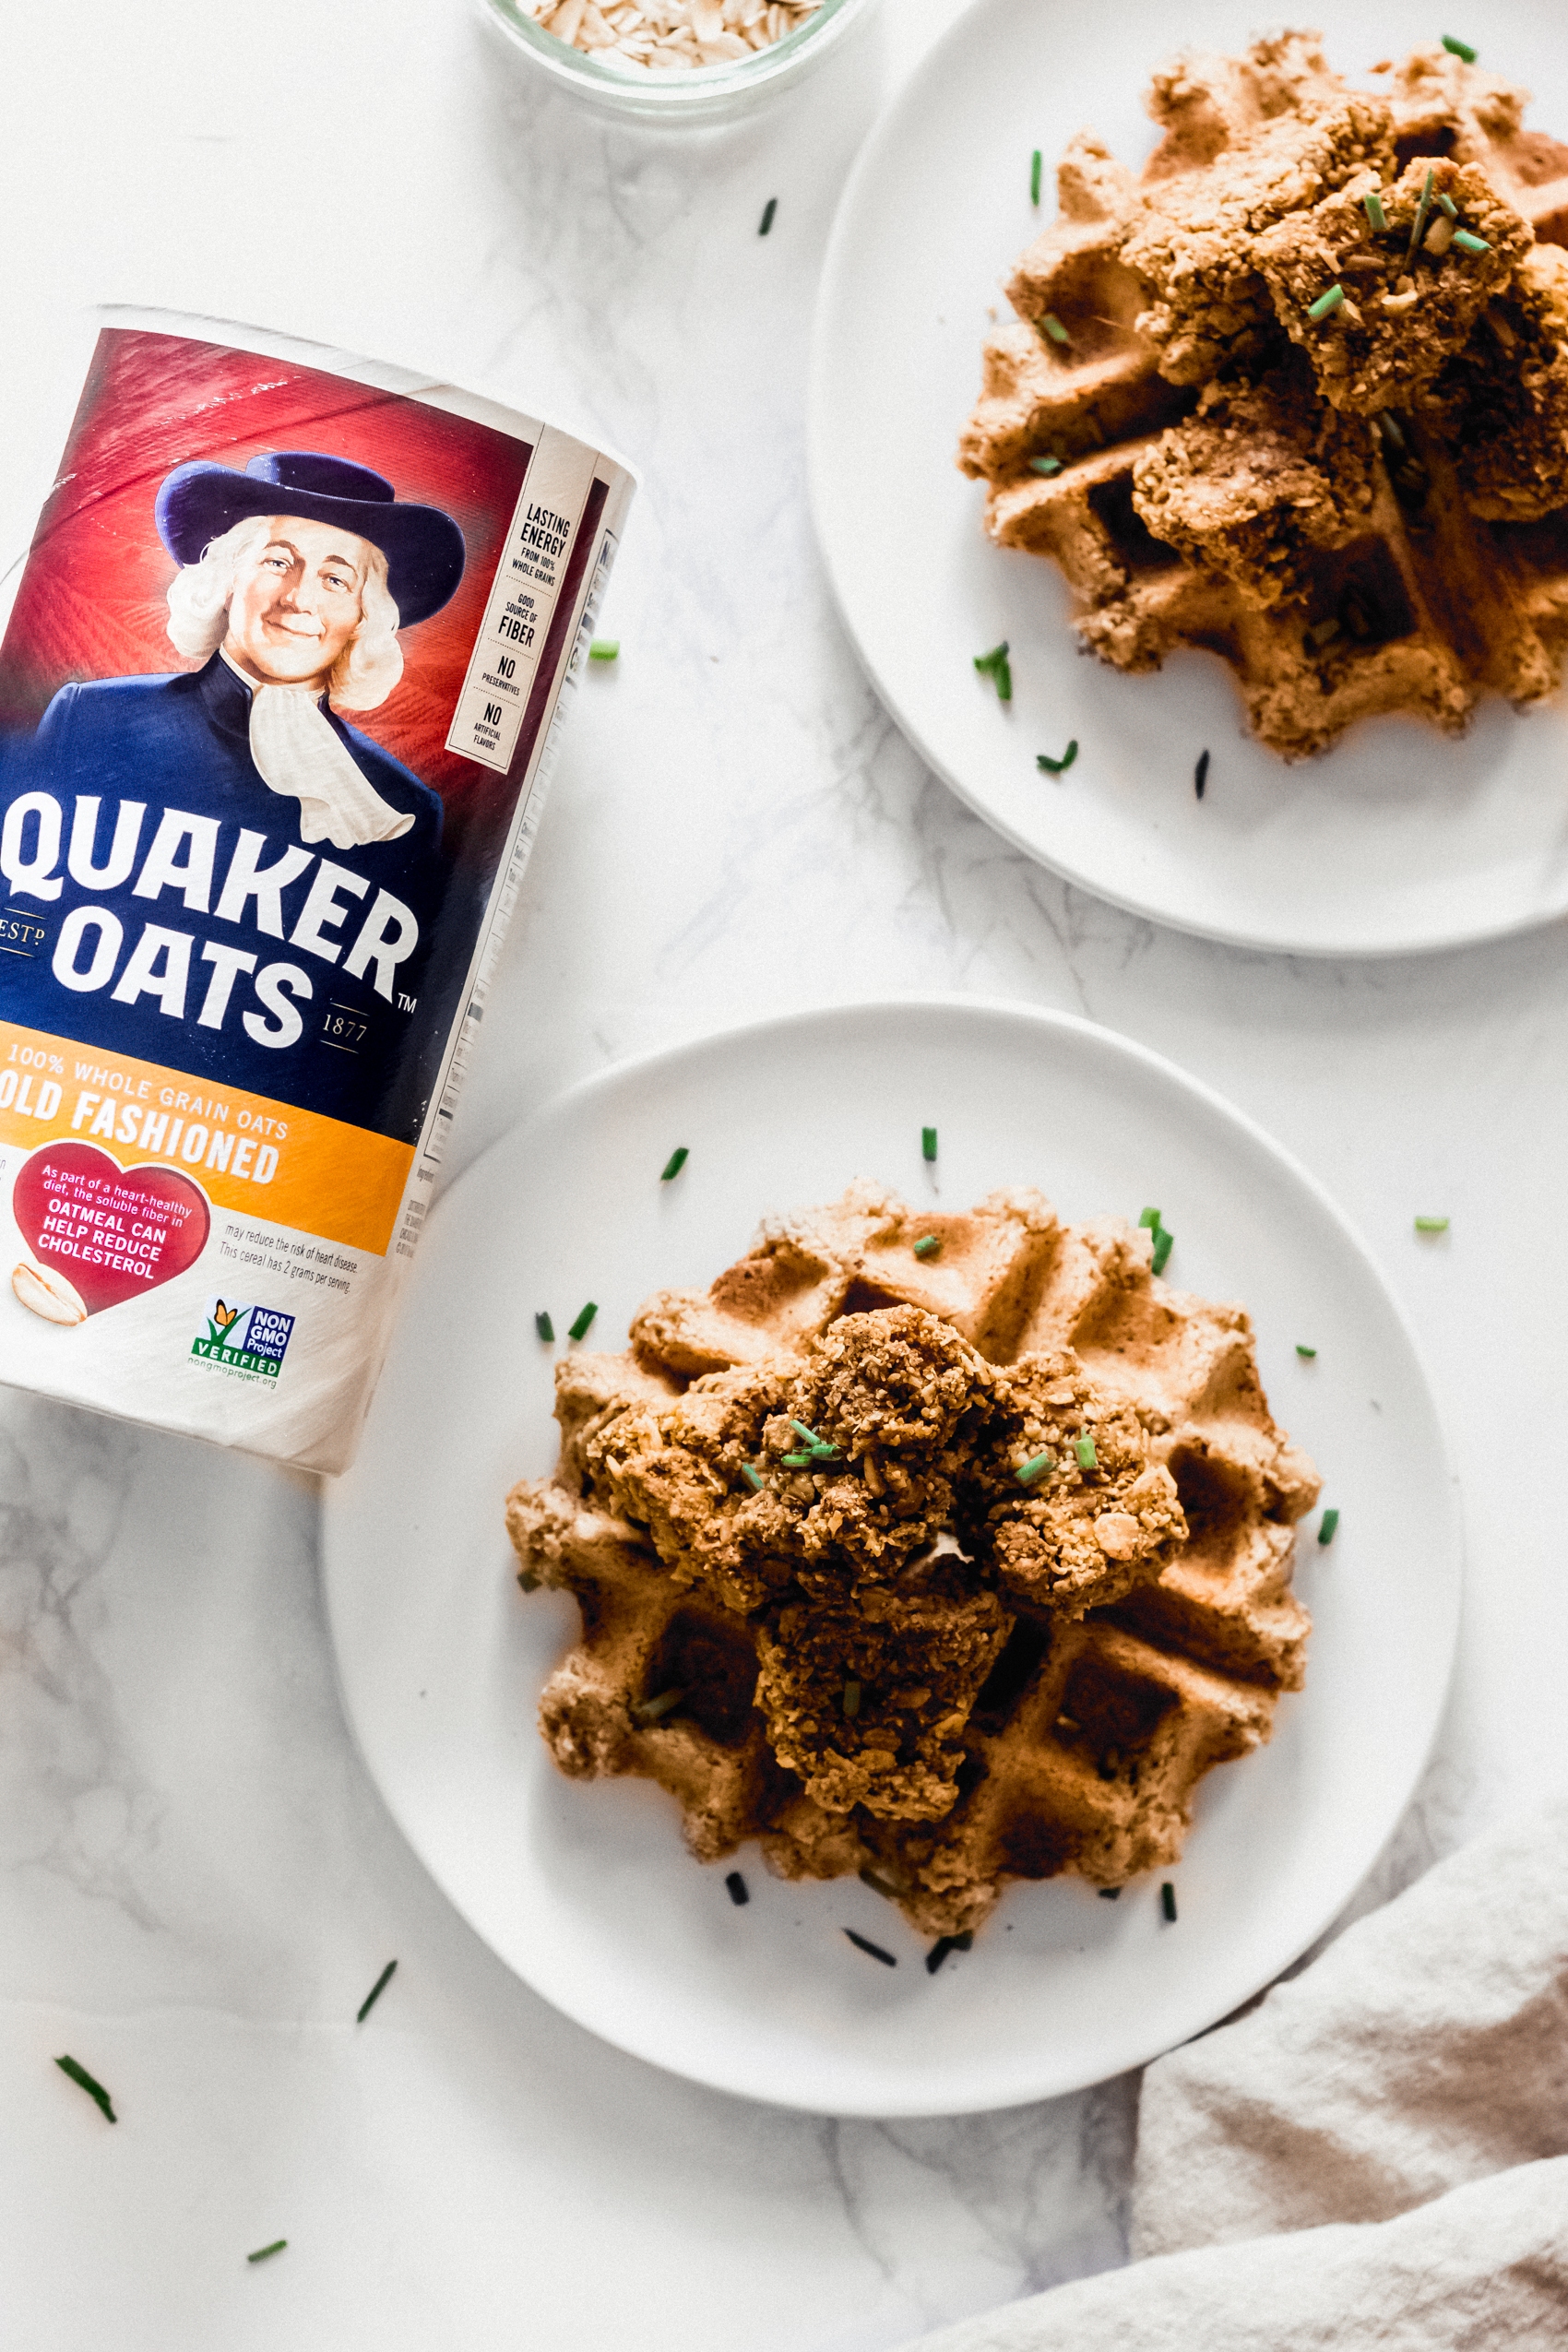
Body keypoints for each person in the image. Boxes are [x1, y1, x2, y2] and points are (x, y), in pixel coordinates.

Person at [0, 451, 470, 1137]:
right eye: (277, 562)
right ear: (225, 580)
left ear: (363, 619)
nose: (300, 598)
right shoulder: (92, 719)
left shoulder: (403, 808)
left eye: (337, 579)